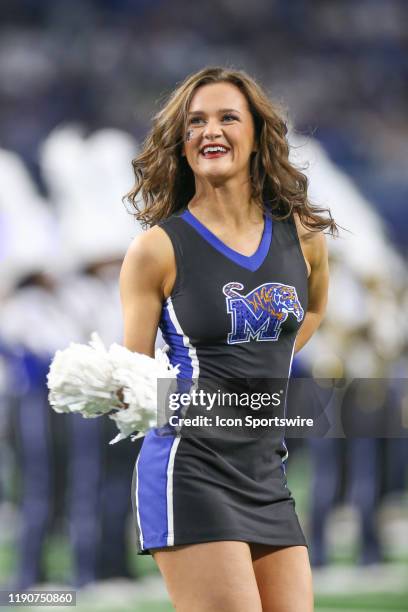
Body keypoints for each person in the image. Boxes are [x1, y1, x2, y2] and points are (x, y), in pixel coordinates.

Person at [120, 66, 336, 611]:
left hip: (266, 467)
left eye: (227, 118)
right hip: (191, 465)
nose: (209, 131)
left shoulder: (301, 235)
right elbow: (135, 375)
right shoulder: (157, 249)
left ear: (259, 136)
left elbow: (312, 309)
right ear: (182, 142)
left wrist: (254, 378)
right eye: (195, 122)